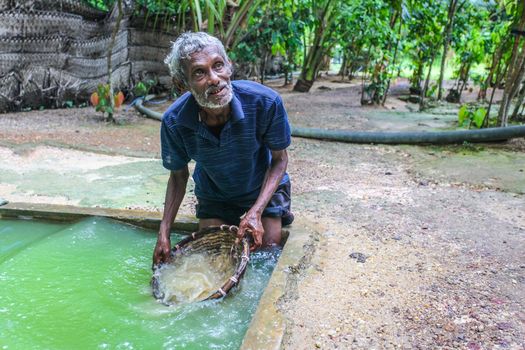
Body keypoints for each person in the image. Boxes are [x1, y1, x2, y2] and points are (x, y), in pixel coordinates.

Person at [153, 32, 293, 265]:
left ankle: (270, 212)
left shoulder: (266, 102)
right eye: (199, 72)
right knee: (213, 258)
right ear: (182, 84)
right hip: (215, 195)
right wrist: (163, 232)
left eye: (218, 66)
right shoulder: (174, 122)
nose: (214, 78)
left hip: (262, 191)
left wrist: (256, 212)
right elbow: (178, 177)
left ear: (229, 66)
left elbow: (279, 160)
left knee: (267, 254)